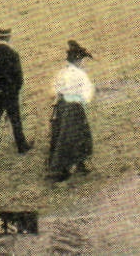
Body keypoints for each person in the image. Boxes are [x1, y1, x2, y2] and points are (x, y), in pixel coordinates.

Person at [47, 41, 95, 182]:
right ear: (78, 61)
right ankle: (68, 166)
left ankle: (74, 163)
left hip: (61, 108)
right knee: (78, 136)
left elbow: (53, 91)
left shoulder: (61, 73)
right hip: (74, 108)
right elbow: (87, 95)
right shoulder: (80, 75)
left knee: (62, 134)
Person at [0, 27, 31, 161]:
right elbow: (19, 78)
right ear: (9, 37)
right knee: (15, 120)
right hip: (10, 94)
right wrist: (13, 91)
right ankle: (21, 146)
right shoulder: (13, 54)